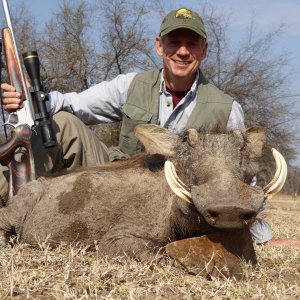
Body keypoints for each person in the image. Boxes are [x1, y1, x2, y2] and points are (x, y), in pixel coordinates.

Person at [0, 7, 294, 246]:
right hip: (116, 180)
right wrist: (25, 98)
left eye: (191, 44)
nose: (182, 52)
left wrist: (262, 238)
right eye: (174, 43)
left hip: (174, 204)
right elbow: (70, 103)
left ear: (203, 50)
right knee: (63, 122)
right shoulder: (130, 85)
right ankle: (13, 198)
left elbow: (240, 178)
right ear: (159, 46)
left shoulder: (227, 109)